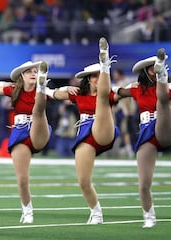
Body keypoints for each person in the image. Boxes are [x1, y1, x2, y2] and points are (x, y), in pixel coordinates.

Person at [0, 60, 78, 223]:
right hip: (20, 132)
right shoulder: (14, 90)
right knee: (22, 179)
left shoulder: (43, 91)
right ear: (21, 76)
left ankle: (42, 89)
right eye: (29, 71)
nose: (33, 73)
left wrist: (69, 89)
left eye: (35, 71)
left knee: (39, 109)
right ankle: (27, 211)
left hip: (39, 130)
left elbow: (58, 93)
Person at [47, 37, 120, 224]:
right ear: (88, 79)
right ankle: (96, 212)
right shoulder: (79, 95)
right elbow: (52, 94)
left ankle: (105, 62)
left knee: (102, 99)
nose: (97, 79)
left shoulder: (109, 93)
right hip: (86, 135)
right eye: (94, 76)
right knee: (83, 180)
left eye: (99, 75)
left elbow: (124, 92)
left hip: (104, 130)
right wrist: (63, 87)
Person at [114, 48, 171, 228]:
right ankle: (149, 215)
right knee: (143, 183)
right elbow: (114, 92)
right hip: (147, 132)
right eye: (153, 69)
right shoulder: (137, 89)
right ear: (146, 71)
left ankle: (164, 75)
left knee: (162, 102)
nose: (153, 71)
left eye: (157, 68)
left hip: (166, 127)